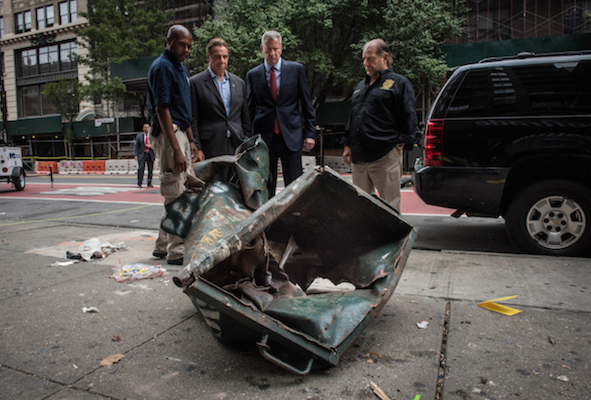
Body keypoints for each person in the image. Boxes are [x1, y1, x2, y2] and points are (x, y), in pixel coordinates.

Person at [342, 39, 417, 211]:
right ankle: (366, 238)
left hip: (384, 155)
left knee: (390, 206)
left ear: (385, 57)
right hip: (359, 157)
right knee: (360, 206)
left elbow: (408, 115)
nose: (366, 63)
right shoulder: (360, 87)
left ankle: (392, 238)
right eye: (364, 59)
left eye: (370, 58)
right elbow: (353, 117)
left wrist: (401, 142)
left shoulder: (399, 83)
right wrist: (347, 144)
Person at [147, 25, 198, 266]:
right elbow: (162, 109)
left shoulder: (179, 68)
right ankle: (176, 251)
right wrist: (177, 148)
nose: (186, 49)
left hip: (180, 133)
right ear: (169, 41)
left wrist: (190, 140)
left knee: (178, 191)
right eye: (182, 44)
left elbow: (182, 109)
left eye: (189, 46)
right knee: (176, 192)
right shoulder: (162, 67)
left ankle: (161, 246)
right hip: (170, 135)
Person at [246, 30, 315, 197]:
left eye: (275, 49)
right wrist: (249, 139)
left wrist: (310, 133)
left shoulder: (296, 70)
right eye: (268, 49)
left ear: (281, 48)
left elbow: (306, 104)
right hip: (264, 139)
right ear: (262, 49)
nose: (272, 53)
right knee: (265, 184)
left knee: (295, 185)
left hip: (291, 136)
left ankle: (295, 219)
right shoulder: (252, 75)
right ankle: (268, 221)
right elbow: (249, 109)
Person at [189, 38, 251, 181]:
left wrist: (246, 142)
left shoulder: (239, 83)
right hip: (211, 146)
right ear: (208, 57)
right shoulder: (196, 83)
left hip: (236, 145)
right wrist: (197, 147)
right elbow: (193, 119)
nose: (221, 60)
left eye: (224, 56)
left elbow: (245, 117)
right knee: (214, 190)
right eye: (217, 56)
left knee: (237, 189)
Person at [134, 123, 156, 188]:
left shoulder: (152, 136)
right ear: (143, 128)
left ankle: (149, 183)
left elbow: (156, 144)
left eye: (147, 127)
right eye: (145, 127)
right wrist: (136, 155)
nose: (146, 129)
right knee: (141, 169)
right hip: (142, 154)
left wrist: (151, 146)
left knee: (150, 169)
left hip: (150, 154)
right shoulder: (139, 136)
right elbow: (136, 146)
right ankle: (139, 183)